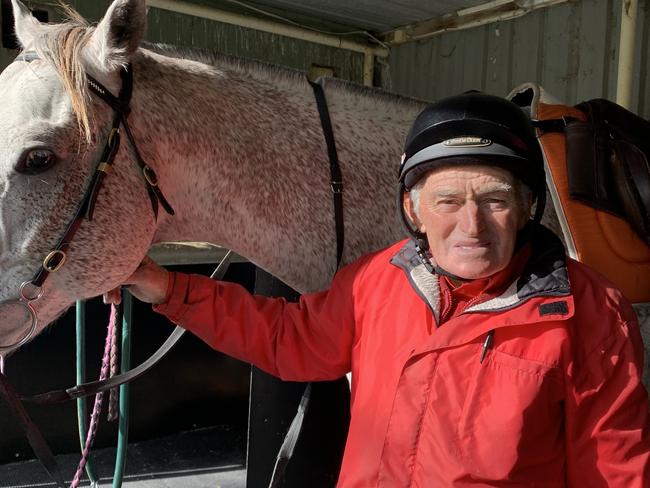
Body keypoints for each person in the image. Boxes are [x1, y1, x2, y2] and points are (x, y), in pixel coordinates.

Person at [108, 92, 650, 486]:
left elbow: (613, 469)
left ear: (529, 207)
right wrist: (166, 288)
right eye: (447, 201)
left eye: (495, 199)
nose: (471, 225)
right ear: (413, 209)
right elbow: (291, 337)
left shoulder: (591, 313)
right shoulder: (379, 278)